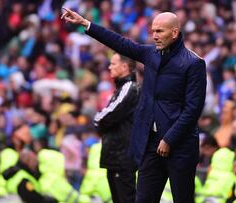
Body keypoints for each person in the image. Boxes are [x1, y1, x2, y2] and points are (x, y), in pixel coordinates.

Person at [62, 8, 206, 203]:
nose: (154, 36)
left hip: (179, 145)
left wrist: (169, 139)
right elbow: (120, 43)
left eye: (159, 31)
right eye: (153, 31)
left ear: (174, 32)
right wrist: (86, 24)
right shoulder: (151, 54)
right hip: (151, 143)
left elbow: (193, 109)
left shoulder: (194, 63)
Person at [93, 53, 139, 203]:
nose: (109, 67)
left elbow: (110, 114)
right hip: (116, 157)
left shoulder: (129, 88)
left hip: (122, 157)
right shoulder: (121, 88)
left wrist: (97, 119)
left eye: (113, 64)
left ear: (124, 67)